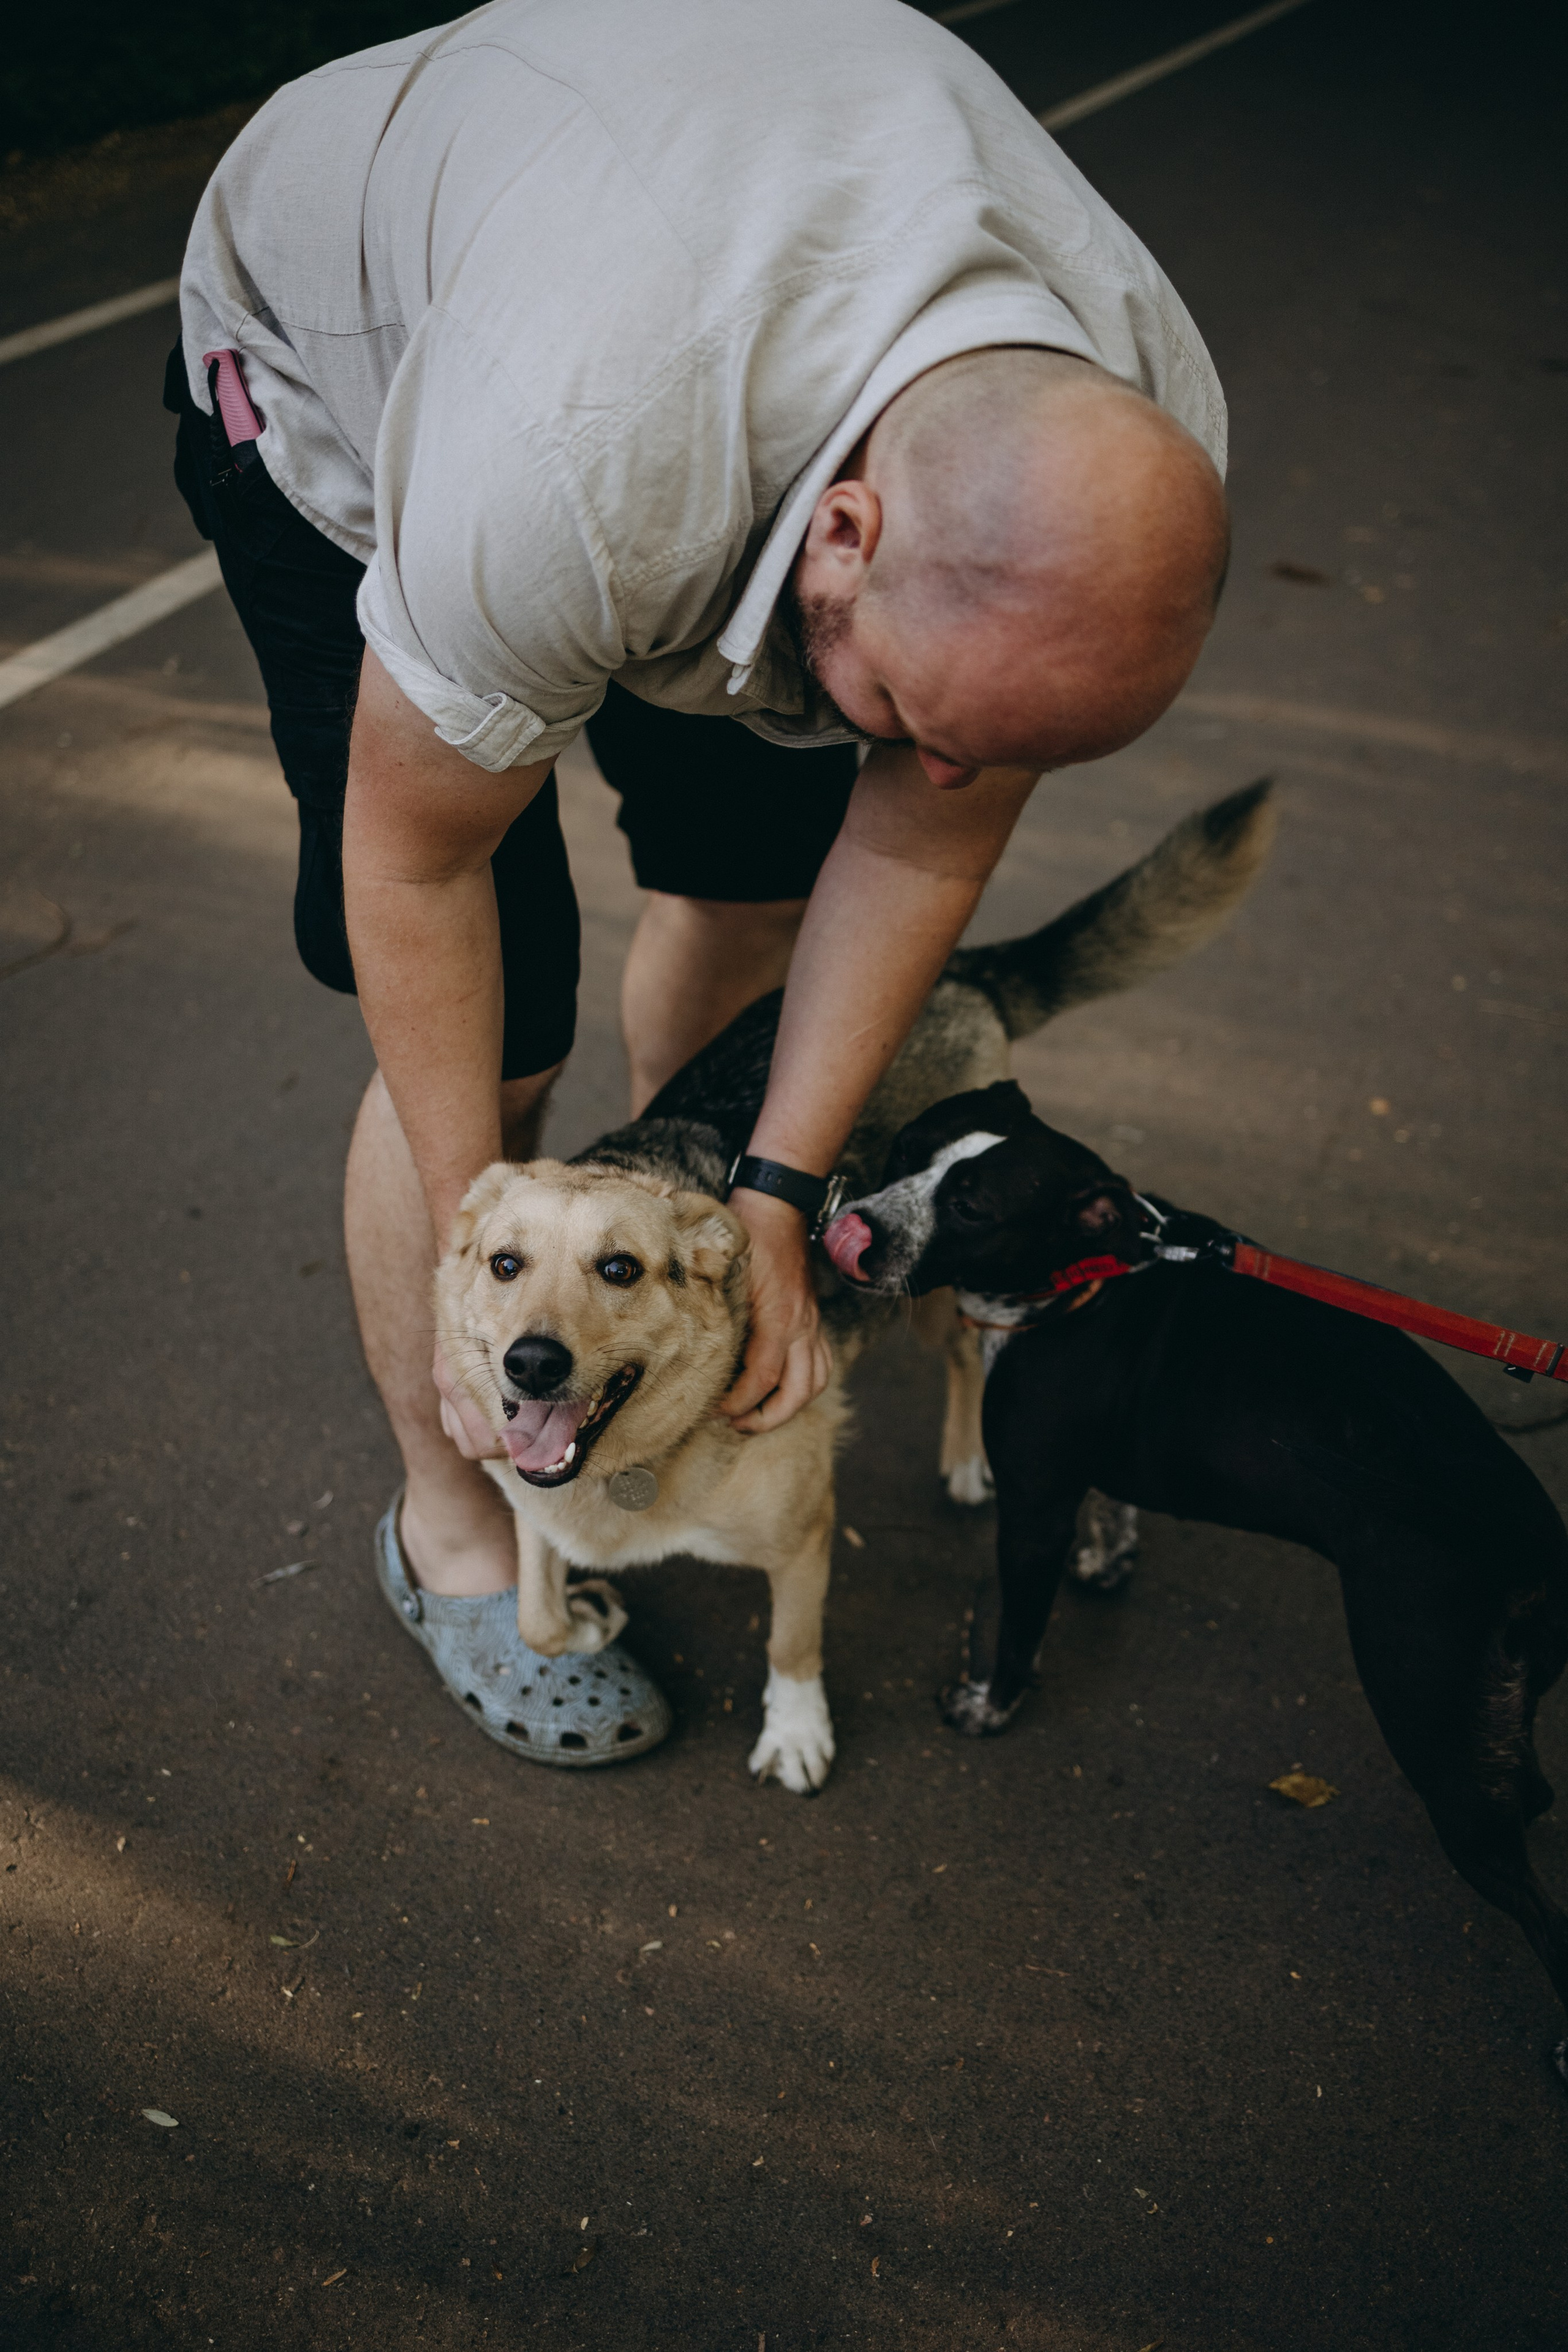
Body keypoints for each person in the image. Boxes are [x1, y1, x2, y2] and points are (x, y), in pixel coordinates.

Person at [168, 0, 1230, 1763]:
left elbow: (919, 826)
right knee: (498, 1014)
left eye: (984, 746)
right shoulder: (574, 462)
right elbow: (411, 864)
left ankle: (636, 1277)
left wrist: (756, 1213)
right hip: (344, 391)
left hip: (732, 391)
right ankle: (457, 1529)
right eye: (903, 717)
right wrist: (495, 1262)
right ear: (846, 537)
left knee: (751, 905)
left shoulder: (1111, 465)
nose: (938, 771)